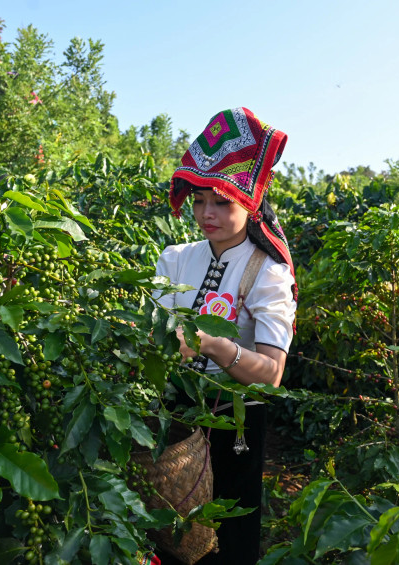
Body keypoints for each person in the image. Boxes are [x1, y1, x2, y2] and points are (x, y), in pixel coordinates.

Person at [153, 108, 297, 564]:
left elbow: (271, 374)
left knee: (229, 540)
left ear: (248, 203)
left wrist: (213, 345)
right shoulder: (176, 258)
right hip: (175, 416)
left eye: (221, 203)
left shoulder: (267, 272)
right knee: (171, 532)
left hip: (235, 424)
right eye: (199, 201)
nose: (206, 214)